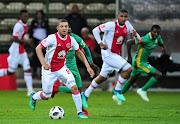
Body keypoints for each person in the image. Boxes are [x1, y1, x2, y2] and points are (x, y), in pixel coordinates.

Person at [29, 19, 95, 119]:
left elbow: (79, 52)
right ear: (57, 28)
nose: (64, 28)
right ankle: (34, 96)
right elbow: (38, 48)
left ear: (68, 28)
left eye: (66, 26)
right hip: (49, 70)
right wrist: (44, 63)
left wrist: (88, 67)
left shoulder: (71, 40)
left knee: (74, 87)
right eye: (62, 26)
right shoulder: (52, 38)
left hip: (62, 68)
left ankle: (80, 112)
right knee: (46, 95)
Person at [81, 9, 140, 108]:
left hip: (115, 54)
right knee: (129, 68)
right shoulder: (111, 25)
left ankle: (85, 94)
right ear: (117, 16)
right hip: (108, 54)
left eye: (125, 16)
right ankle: (117, 89)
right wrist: (100, 43)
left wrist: (136, 37)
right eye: (121, 16)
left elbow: (138, 37)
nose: (123, 18)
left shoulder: (128, 25)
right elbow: (95, 30)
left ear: (127, 17)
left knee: (102, 77)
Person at [51, 28, 100, 116]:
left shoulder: (75, 38)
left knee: (79, 89)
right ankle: (82, 111)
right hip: (63, 65)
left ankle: (56, 88)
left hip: (73, 65)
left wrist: (90, 62)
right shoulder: (55, 38)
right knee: (75, 89)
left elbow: (86, 48)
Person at [121, 25, 165, 102]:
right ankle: (143, 90)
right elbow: (129, 42)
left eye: (158, 33)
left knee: (132, 79)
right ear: (151, 31)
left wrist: (162, 47)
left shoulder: (158, 37)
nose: (156, 34)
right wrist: (129, 57)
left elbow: (160, 43)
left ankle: (118, 94)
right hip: (139, 62)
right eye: (154, 32)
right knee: (158, 74)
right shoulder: (145, 39)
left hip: (140, 61)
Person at [0, 9, 34, 96]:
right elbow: (14, 38)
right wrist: (26, 41)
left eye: (27, 16)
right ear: (20, 16)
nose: (25, 18)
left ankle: (30, 90)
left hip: (21, 50)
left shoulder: (24, 25)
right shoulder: (18, 26)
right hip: (16, 51)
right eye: (24, 16)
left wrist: (26, 41)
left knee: (27, 69)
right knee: (10, 71)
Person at [29, 10, 49, 78]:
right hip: (35, 40)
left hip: (43, 41)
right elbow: (31, 30)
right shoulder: (34, 22)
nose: (39, 15)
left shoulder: (45, 22)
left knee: (43, 57)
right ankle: (34, 72)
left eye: (40, 14)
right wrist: (31, 38)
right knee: (35, 57)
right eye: (38, 14)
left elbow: (47, 31)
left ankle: (42, 72)